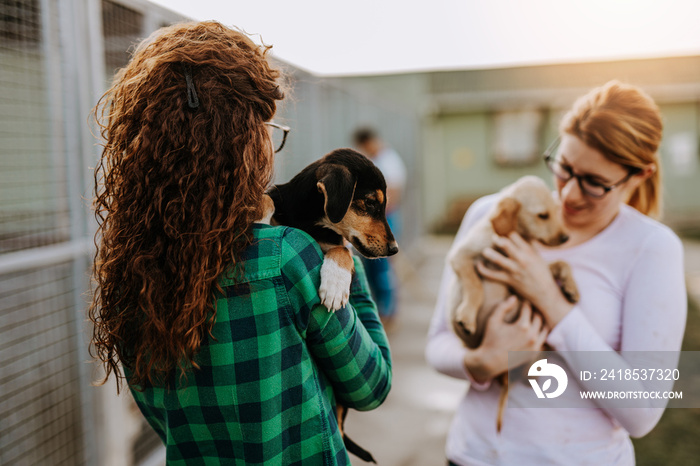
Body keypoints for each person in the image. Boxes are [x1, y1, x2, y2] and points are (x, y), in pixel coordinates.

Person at [89, 21, 391, 465]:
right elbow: (371, 385)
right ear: (242, 148)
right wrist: (343, 253)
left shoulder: (131, 273)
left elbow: (160, 416)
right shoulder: (288, 257)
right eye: (267, 132)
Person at [426, 80, 687, 465]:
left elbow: (642, 411)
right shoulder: (492, 215)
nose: (568, 195)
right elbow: (438, 344)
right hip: (473, 455)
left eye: (595, 184)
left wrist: (550, 298)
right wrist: (482, 360)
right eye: (564, 168)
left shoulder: (651, 248)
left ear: (639, 177)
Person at [353, 127, 407, 326]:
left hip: (386, 218)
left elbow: (393, 192)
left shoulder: (388, 160)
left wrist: (376, 215)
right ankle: (378, 310)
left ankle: (388, 311)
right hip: (375, 219)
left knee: (383, 266)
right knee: (372, 265)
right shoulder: (376, 160)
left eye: (364, 146)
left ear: (370, 141)